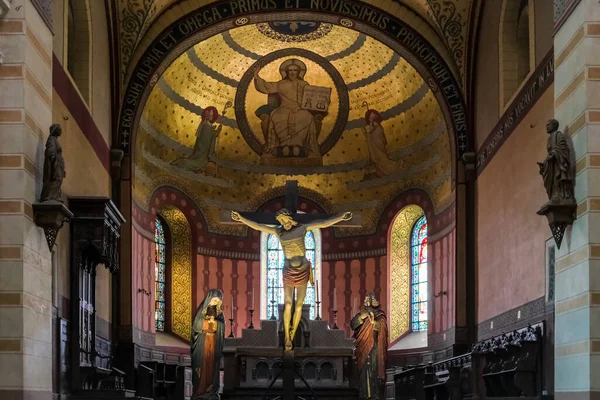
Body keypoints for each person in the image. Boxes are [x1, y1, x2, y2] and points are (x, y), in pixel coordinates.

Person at [231, 208, 352, 351]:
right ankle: (287, 337)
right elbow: (259, 226)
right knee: (288, 304)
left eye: (285, 220)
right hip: (288, 269)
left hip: (303, 269)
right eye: (281, 221)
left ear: (290, 218)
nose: (284, 223)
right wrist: (241, 219)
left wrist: (340, 217)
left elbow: (324, 223)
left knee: (299, 306)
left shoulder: (302, 228)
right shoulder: (279, 232)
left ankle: (293, 333)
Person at [253, 59, 321, 156]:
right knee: (275, 116)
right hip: (283, 109)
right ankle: (282, 146)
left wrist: (322, 100)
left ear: (298, 72)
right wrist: (256, 76)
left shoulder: (304, 84)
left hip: (300, 109)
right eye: (290, 70)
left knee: (307, 116)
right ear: (286, 72)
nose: (292, 72)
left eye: (295, 70)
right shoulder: (281, 84)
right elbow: (266, 86)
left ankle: (297, 145)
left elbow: (312, 97)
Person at [350, 293, 388, 400]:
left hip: (374, 347)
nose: (366, 301)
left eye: (368, 299)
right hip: (362, 347)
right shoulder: (361, 313)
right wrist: (362, 317)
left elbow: (382, 328)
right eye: (365, 299)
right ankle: (364, 395)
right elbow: (353, 324)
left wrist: (373, 323)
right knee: (363, 370)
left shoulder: (379, 314)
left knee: (373, 369)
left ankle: (375, 395)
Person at [191, 289, 225, 400]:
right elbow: (196, 327)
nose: (215, 302)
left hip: (213, 344)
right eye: (214, 300)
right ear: (209, 299)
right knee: (201, 367)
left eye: (218, 301)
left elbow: (221, 328)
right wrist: (207, 322)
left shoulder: (219, 314)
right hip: (202, 343)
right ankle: (199, 391)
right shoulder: (201, 311)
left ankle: (211, 391)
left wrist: (215, 323)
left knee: (211, 368)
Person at [172, 106, 221, 173]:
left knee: (185, 162)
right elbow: (203, 142)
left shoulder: (207, 126)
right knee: (184, 162)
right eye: (208, 113)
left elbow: (206, 142)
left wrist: (215, 133)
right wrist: (215, 133)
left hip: (202, 157)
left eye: (211, 114)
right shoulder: (205, 125)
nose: (209, 115)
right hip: (198, 155)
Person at [537, 119, 575, 202]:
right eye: (546, 125)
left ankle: (561, 195)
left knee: (558, 178)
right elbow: (550, 152)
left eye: (548, 125)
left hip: (558, 163)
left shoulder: (558, 134)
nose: (546, 127)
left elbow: (563, 148)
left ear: (554, 126)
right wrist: (544, 164)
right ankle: (554, 195)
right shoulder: (549, 139)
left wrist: (554, 154)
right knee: (549, 180)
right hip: (551, 163)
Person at [362, 109, 402, 178]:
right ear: (369, 116)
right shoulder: (370, 125)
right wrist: (370, 122)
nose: (374, 115)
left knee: (382, 157)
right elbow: (370, 131)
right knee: (380, 158)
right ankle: (391, 168)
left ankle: (395, 166)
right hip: (375, 145)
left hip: (379, 141)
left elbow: (378, 132)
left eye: (374, 114)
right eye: (372, 114)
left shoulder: (376, 124)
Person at [40, 124, 66, 202]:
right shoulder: (52, 139)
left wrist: (62, 169)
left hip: (59, 164)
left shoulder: (55, 140)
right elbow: (50, 149)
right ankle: (50, 196)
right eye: (60, 129)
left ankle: (55, 196)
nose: (61, 131)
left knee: (59, 180)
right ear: (56, 130)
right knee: (55, 178)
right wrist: (52, 156)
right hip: (55, 163)